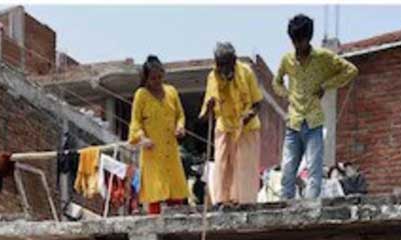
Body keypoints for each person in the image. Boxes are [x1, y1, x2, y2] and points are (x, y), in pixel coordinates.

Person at [273, 14, 358, 200]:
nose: (297, 45)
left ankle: (310, 208)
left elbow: (351, 70)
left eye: (300, 40)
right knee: (287, 170)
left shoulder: (323, 57)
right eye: (294, 41)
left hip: (313, 122)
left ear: (308, 38)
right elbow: (276, 82)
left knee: (314, 169)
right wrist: (287, 94)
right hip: (293, 122)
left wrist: (326, 85)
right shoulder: (287, 59)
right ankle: (285, 207)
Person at [200, 42, 263, 206]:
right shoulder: (213, 76)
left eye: (226, 64)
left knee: (244, 164)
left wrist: (248, 115)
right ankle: (221, 201)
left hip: (246, 127)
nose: (223, 69)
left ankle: (245, 202)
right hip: (225, 126)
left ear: (234, 61)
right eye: (220, 65)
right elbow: (207, 113)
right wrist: (208, 108)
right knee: (221, 163)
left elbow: (257, 103)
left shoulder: (246, 72)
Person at [129, 56, 189, 215]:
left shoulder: (172, 92)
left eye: (159, 77)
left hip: (170, 150)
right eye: (153, 78)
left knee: (175, 189)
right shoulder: (141, 95)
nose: (157, 81)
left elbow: (180, 115)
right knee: (154, 191)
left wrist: (180, 127)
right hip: (152, 152)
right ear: (146, 78)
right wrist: (142, 138)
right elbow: (135, 123)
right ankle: (154, 219)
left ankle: (178, 219)